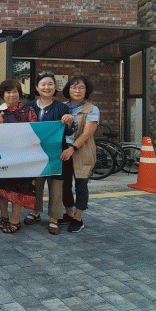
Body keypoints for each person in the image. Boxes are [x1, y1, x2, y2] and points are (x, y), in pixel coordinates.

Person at [0, 79, 38, 234]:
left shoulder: (28, 110)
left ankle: (15, 220)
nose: (12, 95)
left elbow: (35, 132)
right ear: (3, 95)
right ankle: (4, 217)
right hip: (2, 157)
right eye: (8, 92)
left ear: (19, 93)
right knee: (2, 188)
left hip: (22, 157)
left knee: (18, 188)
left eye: (15, 91)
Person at [24, 73, 72, 235]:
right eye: (43, 84)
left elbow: (67, 132)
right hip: (34, 154)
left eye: (50, 84)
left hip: (56, 155)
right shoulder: (29, 106)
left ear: (55, 87)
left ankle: (54, 218)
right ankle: (34, 211)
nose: (47, 87)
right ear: (37, 88)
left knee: (56, 187)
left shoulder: (61, 108)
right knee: (35, 184)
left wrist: (69, 122)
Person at [59, 76, 99, 233]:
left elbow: (87, 133)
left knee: (81, 185)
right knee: (64, 184)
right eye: (74, 87)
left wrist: (72, 149)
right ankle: (69, 213)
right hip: (63, 151)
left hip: (81, 150)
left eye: (81, 87)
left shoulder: (91, 108)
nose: (77, 90)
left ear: (86, 90)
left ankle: (78, 218)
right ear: (68, 90)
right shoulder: (62, 107)